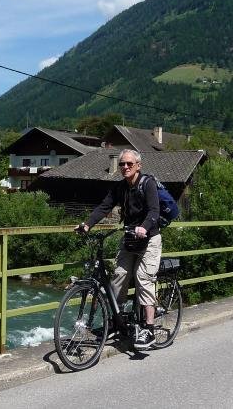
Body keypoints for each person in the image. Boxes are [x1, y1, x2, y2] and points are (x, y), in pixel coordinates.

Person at [75, 149, 161, 349]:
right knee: (119, 276)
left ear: (138, 165)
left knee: (143, 279)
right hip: (130, 238)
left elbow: (154, 210)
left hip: (149, 239)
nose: (125, 167)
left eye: (129, 164)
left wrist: (145, 227)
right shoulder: (120, 188)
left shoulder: (147, 184)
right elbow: (104, 207)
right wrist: (87, 224)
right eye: (122, 164)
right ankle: (116, 320)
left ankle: (149, 329)